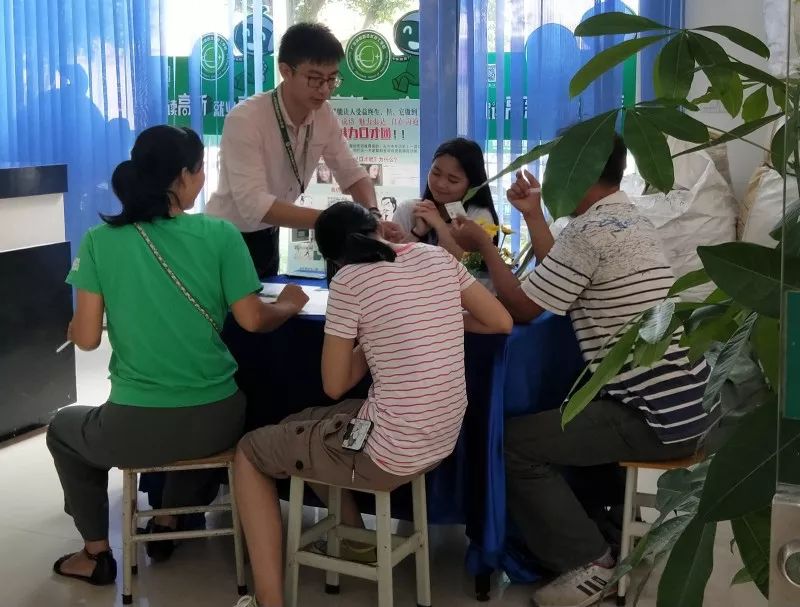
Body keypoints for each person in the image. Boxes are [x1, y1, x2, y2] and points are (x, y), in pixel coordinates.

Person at [451, 135, 718, 607]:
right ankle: (604, 528)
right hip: (694, 407)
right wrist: (534, 215)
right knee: (563, 421)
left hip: (656, 418)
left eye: (560, 170)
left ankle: (589, 562)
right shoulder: (626, 217)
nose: (553, 180)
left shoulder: (589, 232)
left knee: (515, 444)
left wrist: (484, 246)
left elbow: (524, 307)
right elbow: (560, 270)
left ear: (583, 172)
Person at [46, 125, 309, 586]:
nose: (203, 179)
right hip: (220, 418)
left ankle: (95, 553)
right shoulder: (220, 234)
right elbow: (252, 319)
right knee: (194, 430)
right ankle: (167, 523)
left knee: (63, 429)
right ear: (183, 176)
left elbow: (85, 339)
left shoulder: (100, 241)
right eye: (201, 169)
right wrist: (288, 304)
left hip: (135, 426)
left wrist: (76, 325)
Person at [232, 201, 513, 607]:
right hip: (440, 441)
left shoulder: (349, 280)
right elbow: (500, 321)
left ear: (331, 258)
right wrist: (434, 317)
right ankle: (356, 539)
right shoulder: (436, 257)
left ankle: (268, 601)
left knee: (251, 451)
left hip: (387, 453)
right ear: (379, 227)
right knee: (302, 424)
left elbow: (334, 385)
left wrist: (371, 337)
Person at [206, 22, 403, 278]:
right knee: (233, 305)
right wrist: (339, 224)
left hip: (268, 232)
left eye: (331, 79)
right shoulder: (246, 119)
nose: (325, 90)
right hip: (227, 235)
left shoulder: (324, 115)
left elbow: (353, 174)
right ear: (285, 71)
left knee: (268, 297)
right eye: (315, 79)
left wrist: (373, 217)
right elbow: (255, 205)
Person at [393, 137, 499, 260]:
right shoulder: (408, 210)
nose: (440, 184)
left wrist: (439, 225)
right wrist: (417, 232)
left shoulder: (479, 216)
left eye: (453, 180)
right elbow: (390, 262)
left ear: (471, 185)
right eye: (436, 173)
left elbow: (469, 266)